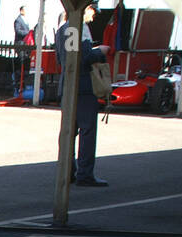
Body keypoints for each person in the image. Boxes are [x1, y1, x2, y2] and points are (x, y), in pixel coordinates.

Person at [55, 6, 109, 187]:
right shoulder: (79, 29)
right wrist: (100, 52)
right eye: (92, 12)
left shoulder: (62, 30)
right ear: (85, 9)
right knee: (87, 131)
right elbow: (83, 58)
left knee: (69, 132)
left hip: (67, 86)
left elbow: (60, 58)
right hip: (83, 87)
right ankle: (85, 174)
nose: (93, 18)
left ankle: (67, 171)